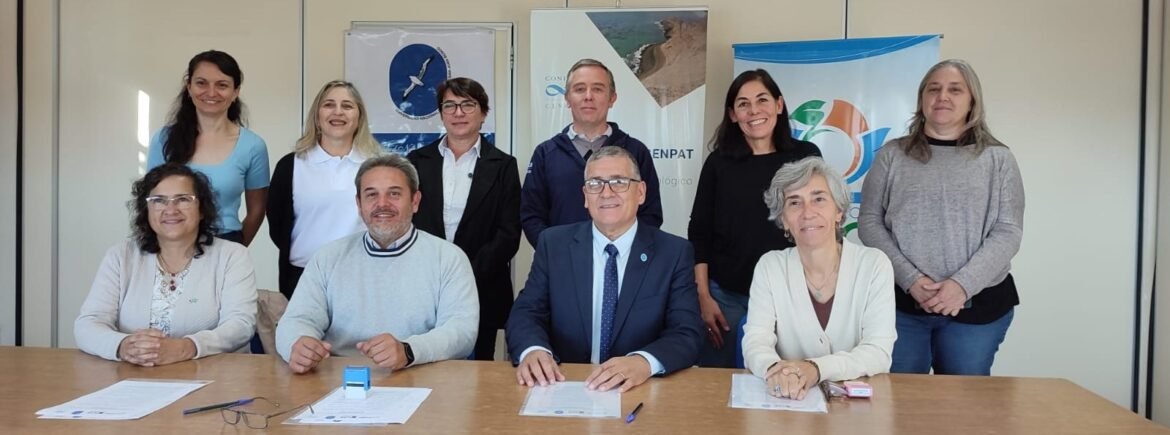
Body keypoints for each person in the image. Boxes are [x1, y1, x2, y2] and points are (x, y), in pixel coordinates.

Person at [859, 59, 1024, 376]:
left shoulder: (998, 159)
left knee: (963, 412)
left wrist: (961, 286)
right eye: (933, 89)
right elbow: (869, 222)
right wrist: (912, 281)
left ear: (972, 100)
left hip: (977, 309)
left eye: (955, 90)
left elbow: (1008, 231)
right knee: (901, 406)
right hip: (901, 307)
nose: (942, 97)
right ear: (922, 100)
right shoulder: (891, 156)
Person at [506, 146, 703, 393]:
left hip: (638, 390)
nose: (606, 193)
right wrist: (534, 350)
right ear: (585, 196)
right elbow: (526, 312)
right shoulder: (553, 244)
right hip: (564, 385)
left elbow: (687, 332)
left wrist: (644, 361)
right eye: (595, 184)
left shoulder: (673, 252)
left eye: (619, 182)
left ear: (640, 192)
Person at [275, 154, 479, 373]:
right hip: (339, 382)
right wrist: (297, 344)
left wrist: (408, 351)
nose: (382, 204)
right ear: (359, 204)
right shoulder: (328, 257)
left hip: (422, 378)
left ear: (415, 201)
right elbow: (296, 320)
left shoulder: (448, 258)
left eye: (394, 193)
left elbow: (462, 331)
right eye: (371, 195)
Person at [689, 69, 821, 368]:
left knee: (781, 383)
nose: (753, 111)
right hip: (727, 297)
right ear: (733, 115)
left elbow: (817, 226)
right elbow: (700, 231)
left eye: (762, 100)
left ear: (779, 105)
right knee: (718, 386)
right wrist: (704, 296)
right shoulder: (719, 162)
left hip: (790, 296)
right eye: (743, 104)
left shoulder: (805, 157)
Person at [742, 157, 895, 400]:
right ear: (783, 219)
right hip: (789, 403)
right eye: (794, 203)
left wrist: (815, 369)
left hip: (856, 410)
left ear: (839, 211)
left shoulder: (874, 264)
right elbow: (755, 341)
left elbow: (878, 352)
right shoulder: (770, 266)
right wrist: (774, 370)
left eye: (819, 199)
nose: (807, 213)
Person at [75, 164, 258, 365]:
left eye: (183, 199)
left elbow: (241, 325)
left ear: (202, 209)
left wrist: (187, 347)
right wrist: (123, 346)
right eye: (159, 201)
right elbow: (88, 324)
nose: (171, 210)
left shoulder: (232, 255)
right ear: (146, 210)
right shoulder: (121, 256)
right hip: (133, 379)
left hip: (214, 380)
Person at [408, 77, 521, 361]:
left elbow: (508, 234)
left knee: (475, 380)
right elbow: (406, 223)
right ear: (441, 113)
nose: (458, 113)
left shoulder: (504, 165)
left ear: (483, 113)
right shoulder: (417, 161)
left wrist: (464, 274)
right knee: (422, 367)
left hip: (482, 287)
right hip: (423, 286)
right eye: (450, 105)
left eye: (468, 105)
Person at [520, 58, 662, 247]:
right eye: (579, 89)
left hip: (622, 267)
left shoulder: (635, 151)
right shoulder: (545, 153)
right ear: (567, 98)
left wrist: (620, 252)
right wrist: (554, 253)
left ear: (612, 98)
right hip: (562, 266)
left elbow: (650, 214)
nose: (588, 96)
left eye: (597, 89)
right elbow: (531, 215)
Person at [267, 80, 382, 299]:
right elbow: (277, 224)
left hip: (363, 278)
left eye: (347, 106)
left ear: (359, 117)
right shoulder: (291, 165)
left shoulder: (376, 166)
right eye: (329, 104)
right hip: (302, 278)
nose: (338, 112)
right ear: (317, 116)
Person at [147, 50, 270, 245]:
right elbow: (153, 202)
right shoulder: (163, 139)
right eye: (201, 83)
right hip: (172, 244)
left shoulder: (253, 146)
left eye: (222, 85)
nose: (211, 93)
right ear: (189, 87)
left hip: (227, 242)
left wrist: (234, 250)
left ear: (235, 92)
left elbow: (257, 211)